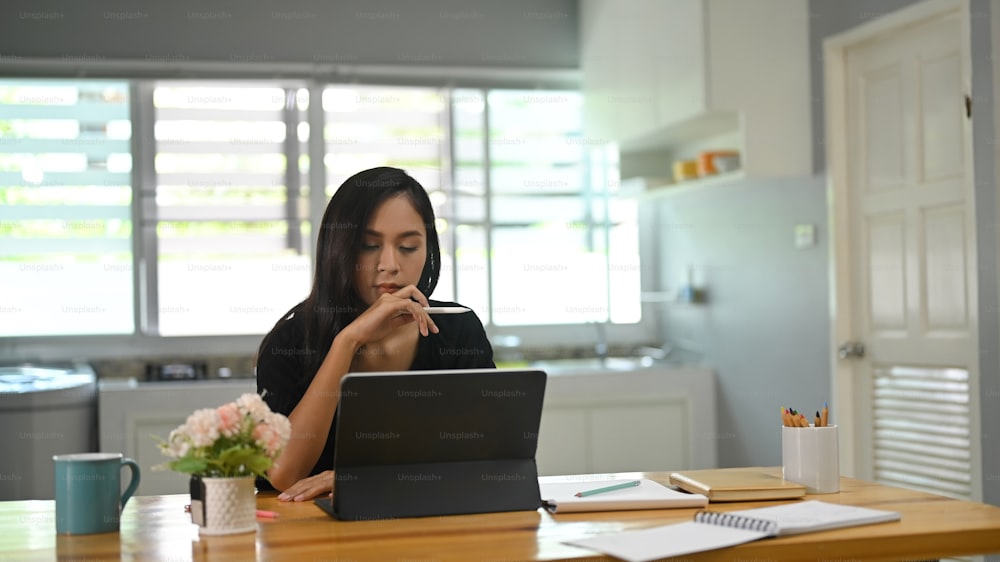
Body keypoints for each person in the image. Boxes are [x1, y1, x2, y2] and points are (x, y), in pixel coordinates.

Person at [255, 166, 495, 501]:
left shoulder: (458, 329)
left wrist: (369, 479)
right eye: (369, 246)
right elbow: (284, 474)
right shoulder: (291, 341)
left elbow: (490, 462)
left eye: (409, 247)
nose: (389, 264)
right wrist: (348, 342)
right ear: (338, 249)